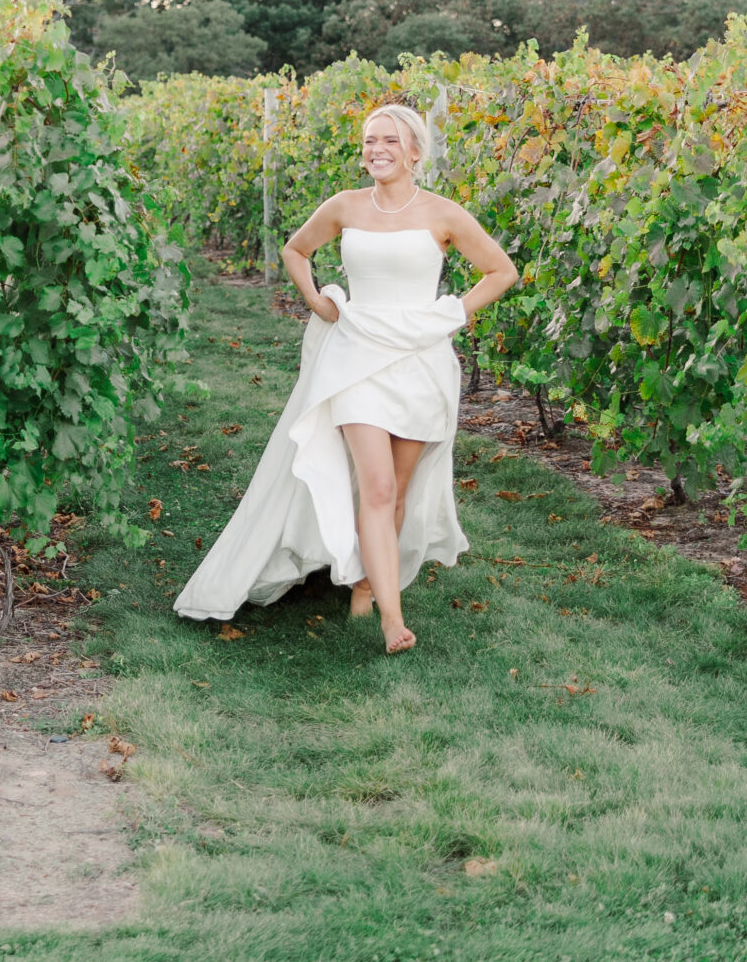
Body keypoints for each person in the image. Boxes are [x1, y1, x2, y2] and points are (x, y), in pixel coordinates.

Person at [173, 100, 516, 653]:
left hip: (420, 364)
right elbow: (296, 249)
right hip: (356, 356)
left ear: (414, 151)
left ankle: (364, 582)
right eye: (368, 142)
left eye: (388, 141)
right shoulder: (346, 205)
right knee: (376, 486)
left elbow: (501, 271)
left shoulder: (443, 214)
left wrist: (448, 316)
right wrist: (317, 299)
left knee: (397, 492)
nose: (376, 150)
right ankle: (391, 621)